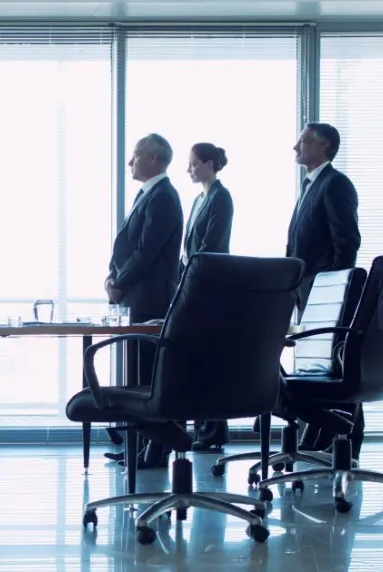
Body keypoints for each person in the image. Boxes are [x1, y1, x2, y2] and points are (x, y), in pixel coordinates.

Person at [103, 133, 184, 469]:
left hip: (151, 297)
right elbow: (126, 246)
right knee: (137, 372)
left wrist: (119, 282)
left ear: (153, 158)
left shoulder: (163, 196)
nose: (130, 162)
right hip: (135, 294)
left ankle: (156, 449)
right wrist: (111, 278)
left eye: (135, 155)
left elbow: (146, 252)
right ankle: (139, 446)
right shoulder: (148, 194)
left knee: (150, 376)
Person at [286, 122, 364, 457]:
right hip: (306, 291)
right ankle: (321, 436)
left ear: (324, 146)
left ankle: (344, 439)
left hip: (325, 294)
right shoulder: (310, 185)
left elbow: (347, 241)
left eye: (304, 141)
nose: (296, 147)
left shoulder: (335, 184)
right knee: (316, 366)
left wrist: (333, 290)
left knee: (334, 366)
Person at [183, 143, 235, 452]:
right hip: (194, 285)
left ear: (210, 164)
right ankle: (202, 428)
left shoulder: (220, 197)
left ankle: (213, 431)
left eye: (193, 164)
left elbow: (211, 244)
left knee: (211, 358)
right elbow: (188, 247)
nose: (188, 169)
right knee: (197, 359)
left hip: (211, 286)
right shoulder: (198, 200)